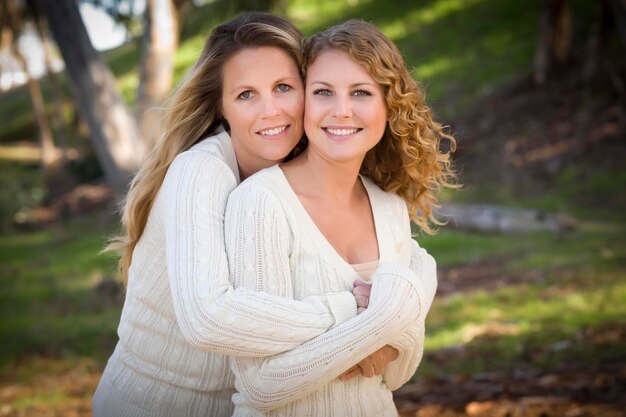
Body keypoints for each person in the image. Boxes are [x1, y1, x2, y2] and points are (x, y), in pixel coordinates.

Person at [92, 13, 371, 417]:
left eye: (283, 87)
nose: (271, 110)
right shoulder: (199, 171)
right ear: (221, 107)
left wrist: (377, 335)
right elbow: (208, 318)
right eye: (246, 95)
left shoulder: (302, 177)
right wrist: (346, 314)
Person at [224, 19, 457, 416]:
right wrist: (381, 320)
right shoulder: (262, 203)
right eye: (323, 92)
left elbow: (398, 372)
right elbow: (262, 384)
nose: (342, 111)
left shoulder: (390, 207)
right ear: (303, 102)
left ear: (389, 107)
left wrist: (385, 329)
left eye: (361, 92)